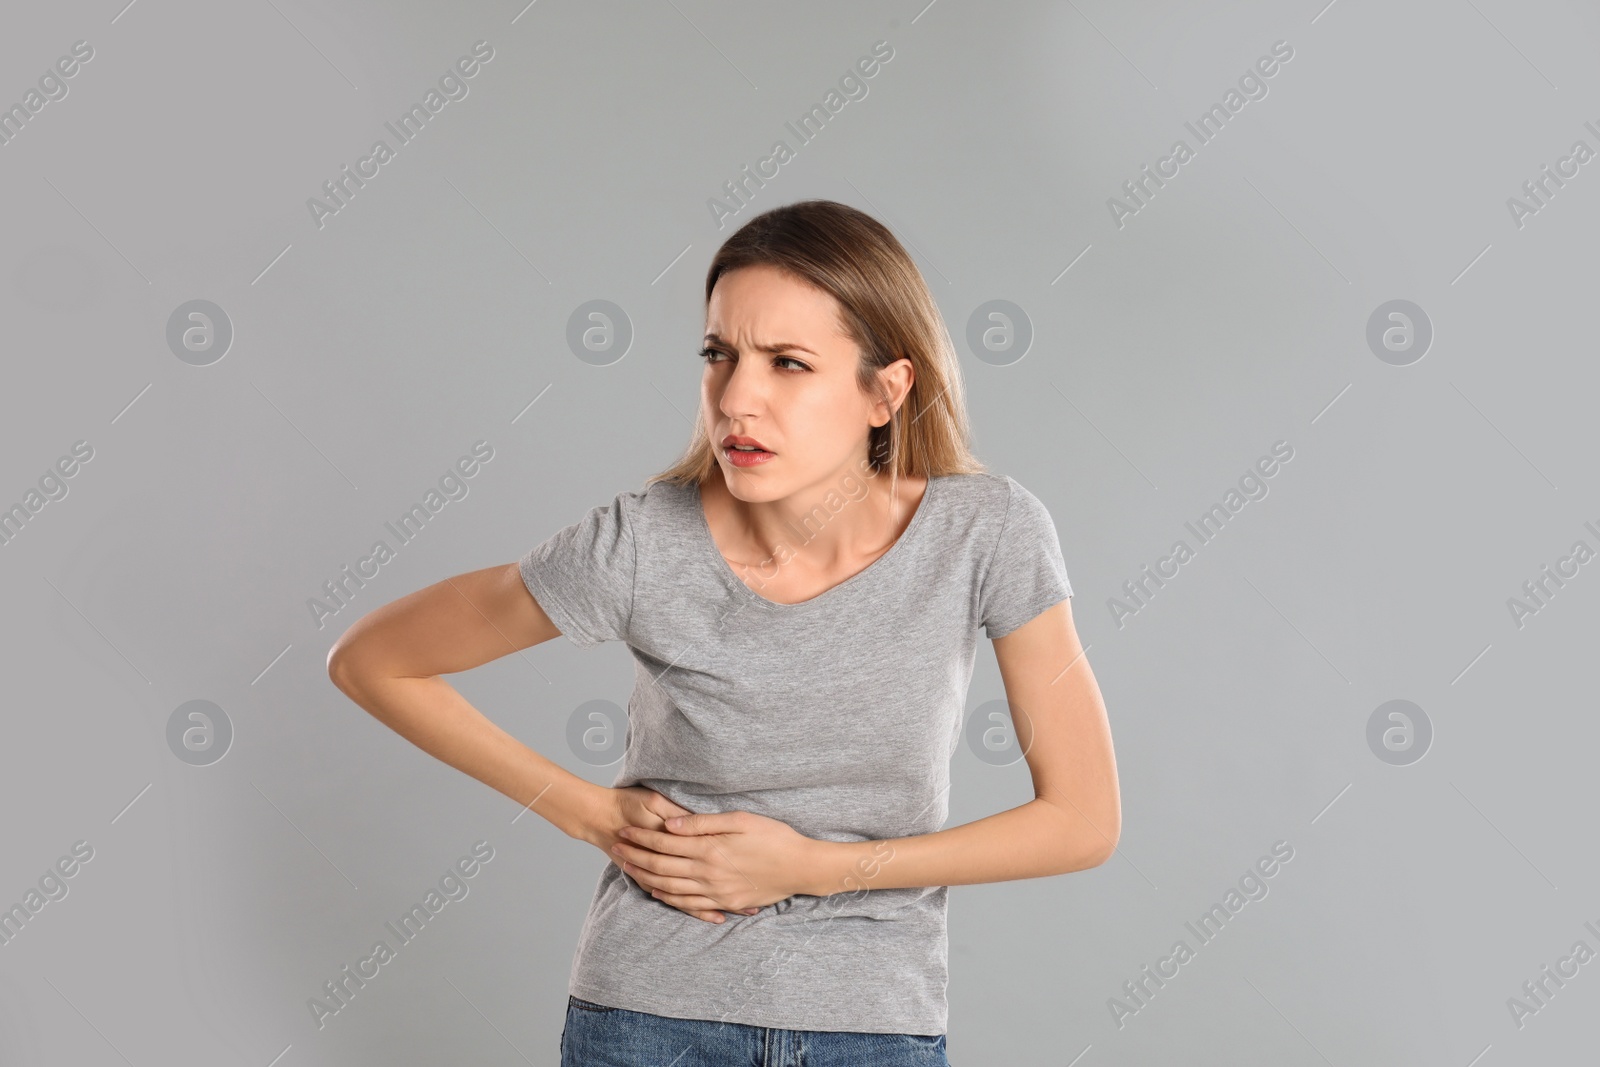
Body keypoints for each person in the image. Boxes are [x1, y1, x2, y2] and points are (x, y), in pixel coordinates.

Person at [327, 199, 1120, 1066]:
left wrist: (812, 867)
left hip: (872, 1026)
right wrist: (592, 816)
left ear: (886, 392)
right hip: (647, 1021)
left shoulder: (987, 533)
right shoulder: (639, 543)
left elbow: (1082, 819)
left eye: (788, 363)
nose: (737, 398)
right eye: (719, 354)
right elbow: (373, 661)